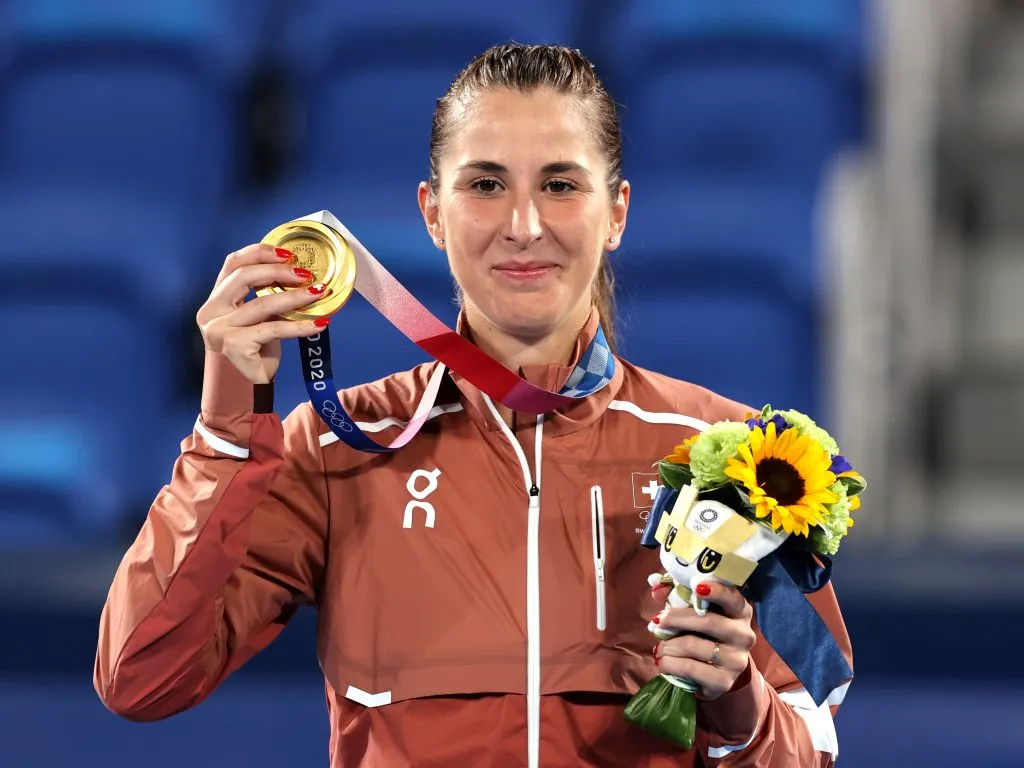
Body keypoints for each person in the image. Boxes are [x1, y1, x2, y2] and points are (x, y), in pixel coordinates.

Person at [94, 43, 853, 767]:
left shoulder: (736, 458)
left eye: (560, 184)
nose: (523, 226)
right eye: (485, 184)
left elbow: (812, 740)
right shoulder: (336, 450)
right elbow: (141, 677)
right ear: (432, 212)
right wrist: (227, 433)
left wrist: (742, 708)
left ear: (616, 212)